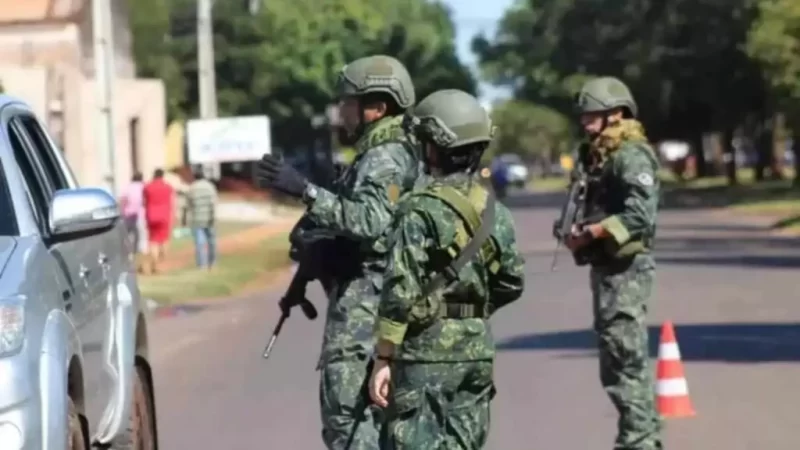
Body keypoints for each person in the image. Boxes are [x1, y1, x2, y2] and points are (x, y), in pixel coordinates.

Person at [256, 55, 421, 449]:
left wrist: (306, 191)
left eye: (349, 102)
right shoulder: (377, 153)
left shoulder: (387, 156)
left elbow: (373, 222)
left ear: (376, 108)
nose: (340, 111)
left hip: (367, 319)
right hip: (368, 309)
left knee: (351, 431)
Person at [368, 89, 526, 448]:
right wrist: (466, 312)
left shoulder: (417, 210)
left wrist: (384, 356)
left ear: (434, 146)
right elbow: (512, 282)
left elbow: (400, 291)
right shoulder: (494, 211)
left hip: (425, 356)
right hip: (477, 352)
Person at [564, 76, 662, 450]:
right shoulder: (601, 153)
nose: (586, 122)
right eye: (584, 115)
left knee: (625, 362)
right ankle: (641, 438)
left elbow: (641, 215)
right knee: (616, 362)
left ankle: (640, 441)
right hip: (608, 270)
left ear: (617, 113)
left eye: (594, 115)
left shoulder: (631, 155)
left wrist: (593, 234)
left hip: (627, 272)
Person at [183, 167, 218, 269]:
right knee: (212, 241)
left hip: (197, 219)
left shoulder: (192, 188)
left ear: (194, 177)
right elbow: (213, 203)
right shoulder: (210, 187)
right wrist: (214, 217)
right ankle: (212, 263)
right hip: (209, 218)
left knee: (199, 243)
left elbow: (186, 206)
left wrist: (184, 220)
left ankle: (201, 264)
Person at [143, 168, 175, 274]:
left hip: (151, 215)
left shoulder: (147, 187)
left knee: (153, 241)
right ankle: (160, 264)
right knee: (164, 240)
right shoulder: (168, 187)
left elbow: (144, 201)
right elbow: (172, 201)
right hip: (165, 216)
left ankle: (154, 263)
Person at [120, 172, 146, 271]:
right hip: (140, 215)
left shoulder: (128, 187)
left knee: (128, 236)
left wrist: (122, 212)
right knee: (140, 237)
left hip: (127, 215)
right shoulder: (143, 186)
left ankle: (128, 254)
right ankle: (139, 255)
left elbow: (123, 200)